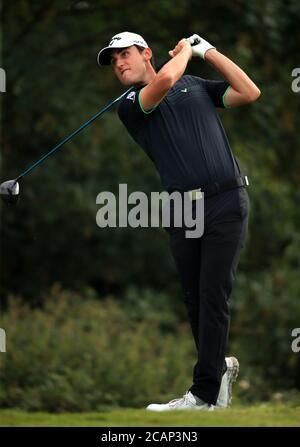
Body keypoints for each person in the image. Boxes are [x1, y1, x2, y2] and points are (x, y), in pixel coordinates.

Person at [97, 31, 260, 411]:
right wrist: (187, 50)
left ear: (146, 54)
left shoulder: (195, 85)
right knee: (195, 299)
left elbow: (250, 92)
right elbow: (166, 80)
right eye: (113, 60)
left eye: (125, 55)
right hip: (181, 210)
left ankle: (204, 394)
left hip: (225, 200)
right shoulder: (131, 105)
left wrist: (209, 51)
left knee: (212, 293)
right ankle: (216, 373)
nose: (119, 63)